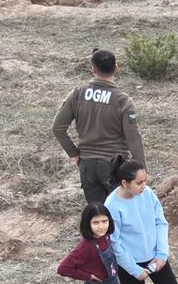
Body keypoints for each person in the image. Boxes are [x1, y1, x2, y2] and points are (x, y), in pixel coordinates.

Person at [53, 48, 149, 205]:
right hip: (115, 166)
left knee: (98, 216)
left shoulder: (77, 94)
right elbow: (134, 139)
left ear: (93, 69)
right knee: (119, 213)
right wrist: (142, 171)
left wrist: (74, 153)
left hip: (87, 165)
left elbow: (57, 128)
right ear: (116, 68)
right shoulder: (123, 101)